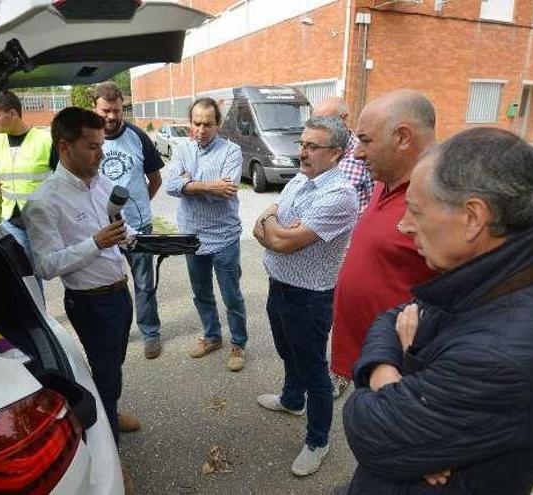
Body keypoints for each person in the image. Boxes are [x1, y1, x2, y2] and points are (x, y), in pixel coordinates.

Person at [340, 127, 533, 494]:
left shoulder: (503, 354)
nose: (404, 225)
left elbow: (371, 431)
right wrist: (389, 374)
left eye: (416, 210)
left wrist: (400, 380)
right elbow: (391, 318)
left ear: (473, 218)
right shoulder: (495, 273)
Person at [23, 108, 142, 481]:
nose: (101, 154)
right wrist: (95, 243)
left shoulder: (101, 182)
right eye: (92, 147)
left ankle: (111, 408)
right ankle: (111, 459)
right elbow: (45, 265)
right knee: (104, 373)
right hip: (90, 303)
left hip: (120, 294)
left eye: (101, 145)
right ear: (64, 147)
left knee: (114, 365)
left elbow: (120, 229)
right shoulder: (44, 202)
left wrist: (129, 235)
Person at [253, 116, 359, 477]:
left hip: (309, 297)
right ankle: (291, 400)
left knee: (314, 370)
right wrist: (277, 222)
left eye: (312, 147)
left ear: (337, 154)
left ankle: (318, 441)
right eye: (302, 143)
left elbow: (281, 240)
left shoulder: (340, 195)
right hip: (278, 285)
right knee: (286, 352)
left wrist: (278, 226)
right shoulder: (300, 179)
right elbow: (264, 224)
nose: (302, 152)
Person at [328, 90, 437, 398]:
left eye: (366, 141)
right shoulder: (385, 180)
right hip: (370, 359)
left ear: (403, 137)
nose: (357, 153)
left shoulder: (441, 201)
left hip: (396, 372)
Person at [165, 97, 248, 372]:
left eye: (208, 124)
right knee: (201, 292)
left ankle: (238, 343)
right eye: (197, 123)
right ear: (191, 122)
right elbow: (170, 185)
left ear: (218, 124)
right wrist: (208, 186)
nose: (202, 129)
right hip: (192, 236)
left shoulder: (231, 151)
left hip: (224, 236)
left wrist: (190, 184)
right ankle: (212, 336)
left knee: (231, 295)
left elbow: (225, 193)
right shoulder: (182, 149)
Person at [91, 82, 166, 360]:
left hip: (138, 226)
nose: (111, 116)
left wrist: (140, 208)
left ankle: (150, 333)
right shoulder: (88, 137)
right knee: (106, 285)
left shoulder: (137, 136)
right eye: (105, 110)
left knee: (144, 283)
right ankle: (112, 334)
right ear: (95, 107)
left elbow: (155, 178)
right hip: (102, 228)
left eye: (117, 110)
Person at [0, 91, 55, 259]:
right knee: (24, 272)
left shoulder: (46, 140)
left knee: (51, 266)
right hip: (10, 221)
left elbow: (63, 179)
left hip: (42, 220)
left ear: (13, 113)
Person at [312, 97, 373, 212]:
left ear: (344, 118)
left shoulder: (365, 157)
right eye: (315, 124)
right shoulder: (314, 153)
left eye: (325, 123)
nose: (318, 130)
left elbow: (375, 206)